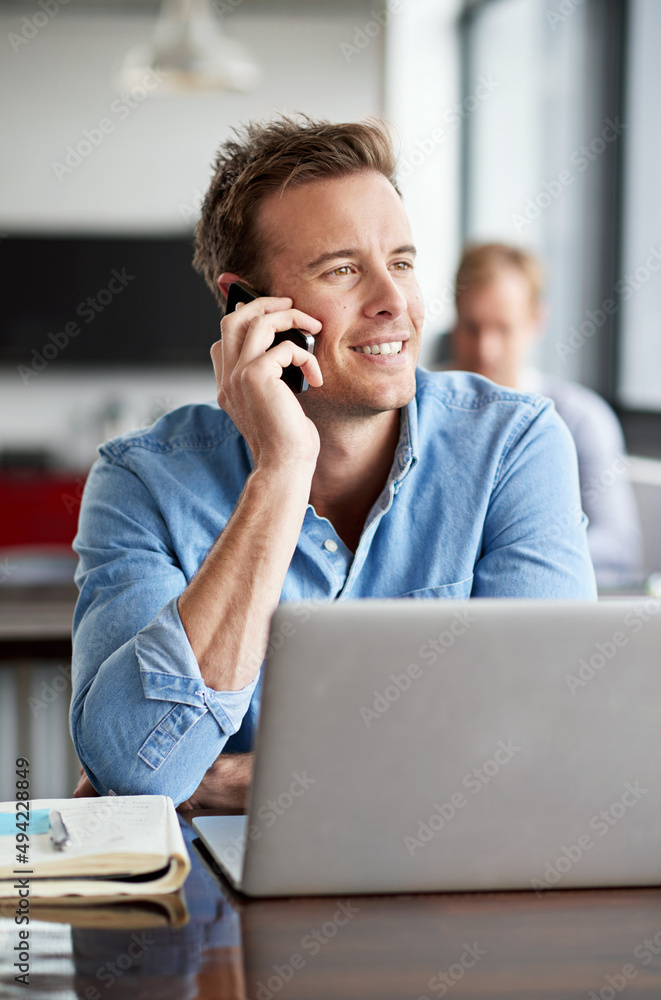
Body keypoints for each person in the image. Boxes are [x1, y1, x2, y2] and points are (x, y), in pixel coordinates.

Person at [70, 117, 596, 810]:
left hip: (458, 886)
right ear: (247, 305)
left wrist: (237, 779)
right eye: (343, 269)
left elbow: (545, 744)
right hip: (217, 909)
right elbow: (137, 770)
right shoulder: (141, 481)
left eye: (402, 263)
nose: (394, 303)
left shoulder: (512, 444)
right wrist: (280, 473)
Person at [449, 242, 643, 588]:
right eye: (472, 328)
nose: (485, 350)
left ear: (536, 319)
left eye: (503, 329)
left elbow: (618, 547)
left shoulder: (581, 418)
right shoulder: (419, 404)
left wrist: (507, 557)